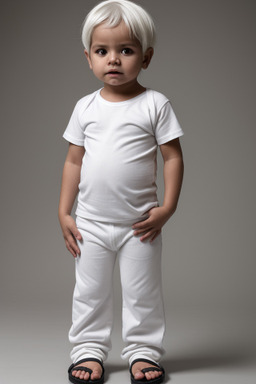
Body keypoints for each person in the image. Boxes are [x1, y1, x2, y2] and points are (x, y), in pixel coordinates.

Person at [58, 1, 184, 383]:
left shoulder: (155, 104)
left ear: (145, 58)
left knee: (143, 293)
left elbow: (173, 158)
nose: (113, 60)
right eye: (102, 51)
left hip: (140, 225)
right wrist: (65, 212)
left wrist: (168, 208)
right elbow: (73, 162)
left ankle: (144, 352)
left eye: (125, 50)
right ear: (88, 57)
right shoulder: (85, 107)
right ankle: (89, 350)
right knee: (90, 293)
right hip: (91, 223)